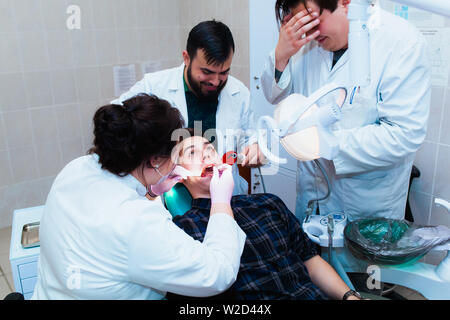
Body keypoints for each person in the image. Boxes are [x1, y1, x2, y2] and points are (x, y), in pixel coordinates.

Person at [32, 94, 246, 300]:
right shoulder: (137, 223)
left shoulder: (75, 168)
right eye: (178, 153)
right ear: (155, 160)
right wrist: (221, 203)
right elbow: (218, 274)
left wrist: (150, 192)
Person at [260, 0, 431, 222]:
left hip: (365, 208)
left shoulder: (402, 42)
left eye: (312, 20)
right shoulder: (308, 45)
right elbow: (276, 95)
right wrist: (281, 55)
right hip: (312, 198)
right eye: (301, 23)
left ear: (346, 3)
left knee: (354, 255)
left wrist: (324, 142)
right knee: (310, 255)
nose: (308, 32)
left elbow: (404, 134)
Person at [166, 134, 362, 300]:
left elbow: (310, 259)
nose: (206, 156)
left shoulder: (267, 203)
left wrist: (350, 296)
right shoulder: (183, 230)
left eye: (210, 150)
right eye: (192, 153)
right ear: (179, 174)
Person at [112, 20, 265, 195]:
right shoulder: (154, 86)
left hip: (227, 199)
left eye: (223, 73)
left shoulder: (239, 93)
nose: (215, 81)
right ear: (186, 58)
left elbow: (249, 139)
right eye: (206, 72)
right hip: (167, 200)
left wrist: (255, 150)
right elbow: (114, 122)